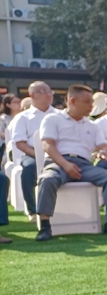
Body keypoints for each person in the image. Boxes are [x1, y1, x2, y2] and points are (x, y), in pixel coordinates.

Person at [33, 84, 107, 241]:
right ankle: (45, 226)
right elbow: (48, 145)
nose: (91, 106)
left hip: (84, 165)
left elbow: (104, 146)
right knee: (48, 179)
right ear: (72, 101)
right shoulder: (53, 119)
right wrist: (65, 165)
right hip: (58, 162)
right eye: (87, 102)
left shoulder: (92, 125)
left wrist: (103, 152)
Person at [10, 81, 58, 221]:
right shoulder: (22, 117)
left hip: (57, 154)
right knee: (29, 168)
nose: (48, 95)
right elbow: (20, 143)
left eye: (50, 91)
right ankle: (33, 210)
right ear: (32, 95)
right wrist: (37, 155)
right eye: (43, 92)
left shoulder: (59, 115)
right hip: (32, 154)